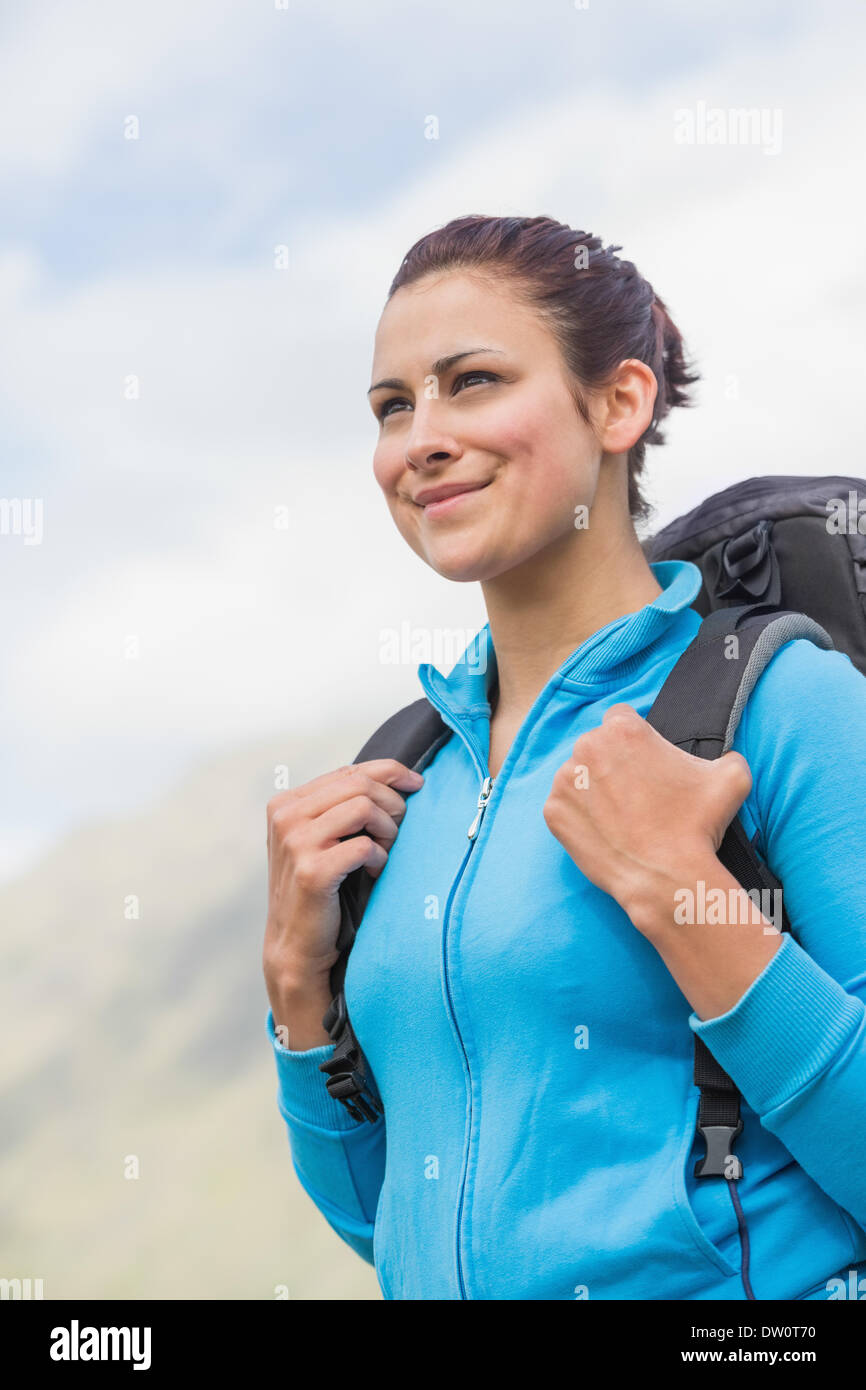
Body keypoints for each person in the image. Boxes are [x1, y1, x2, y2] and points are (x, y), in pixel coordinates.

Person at [261, 214, 866, 1300]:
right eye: (393, 406)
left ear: (617, 403)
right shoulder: (408, 773)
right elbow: (392, 1226)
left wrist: (690, 901)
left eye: (473, 381)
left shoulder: (782, 709)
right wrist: (298, 993)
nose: (419, 440)